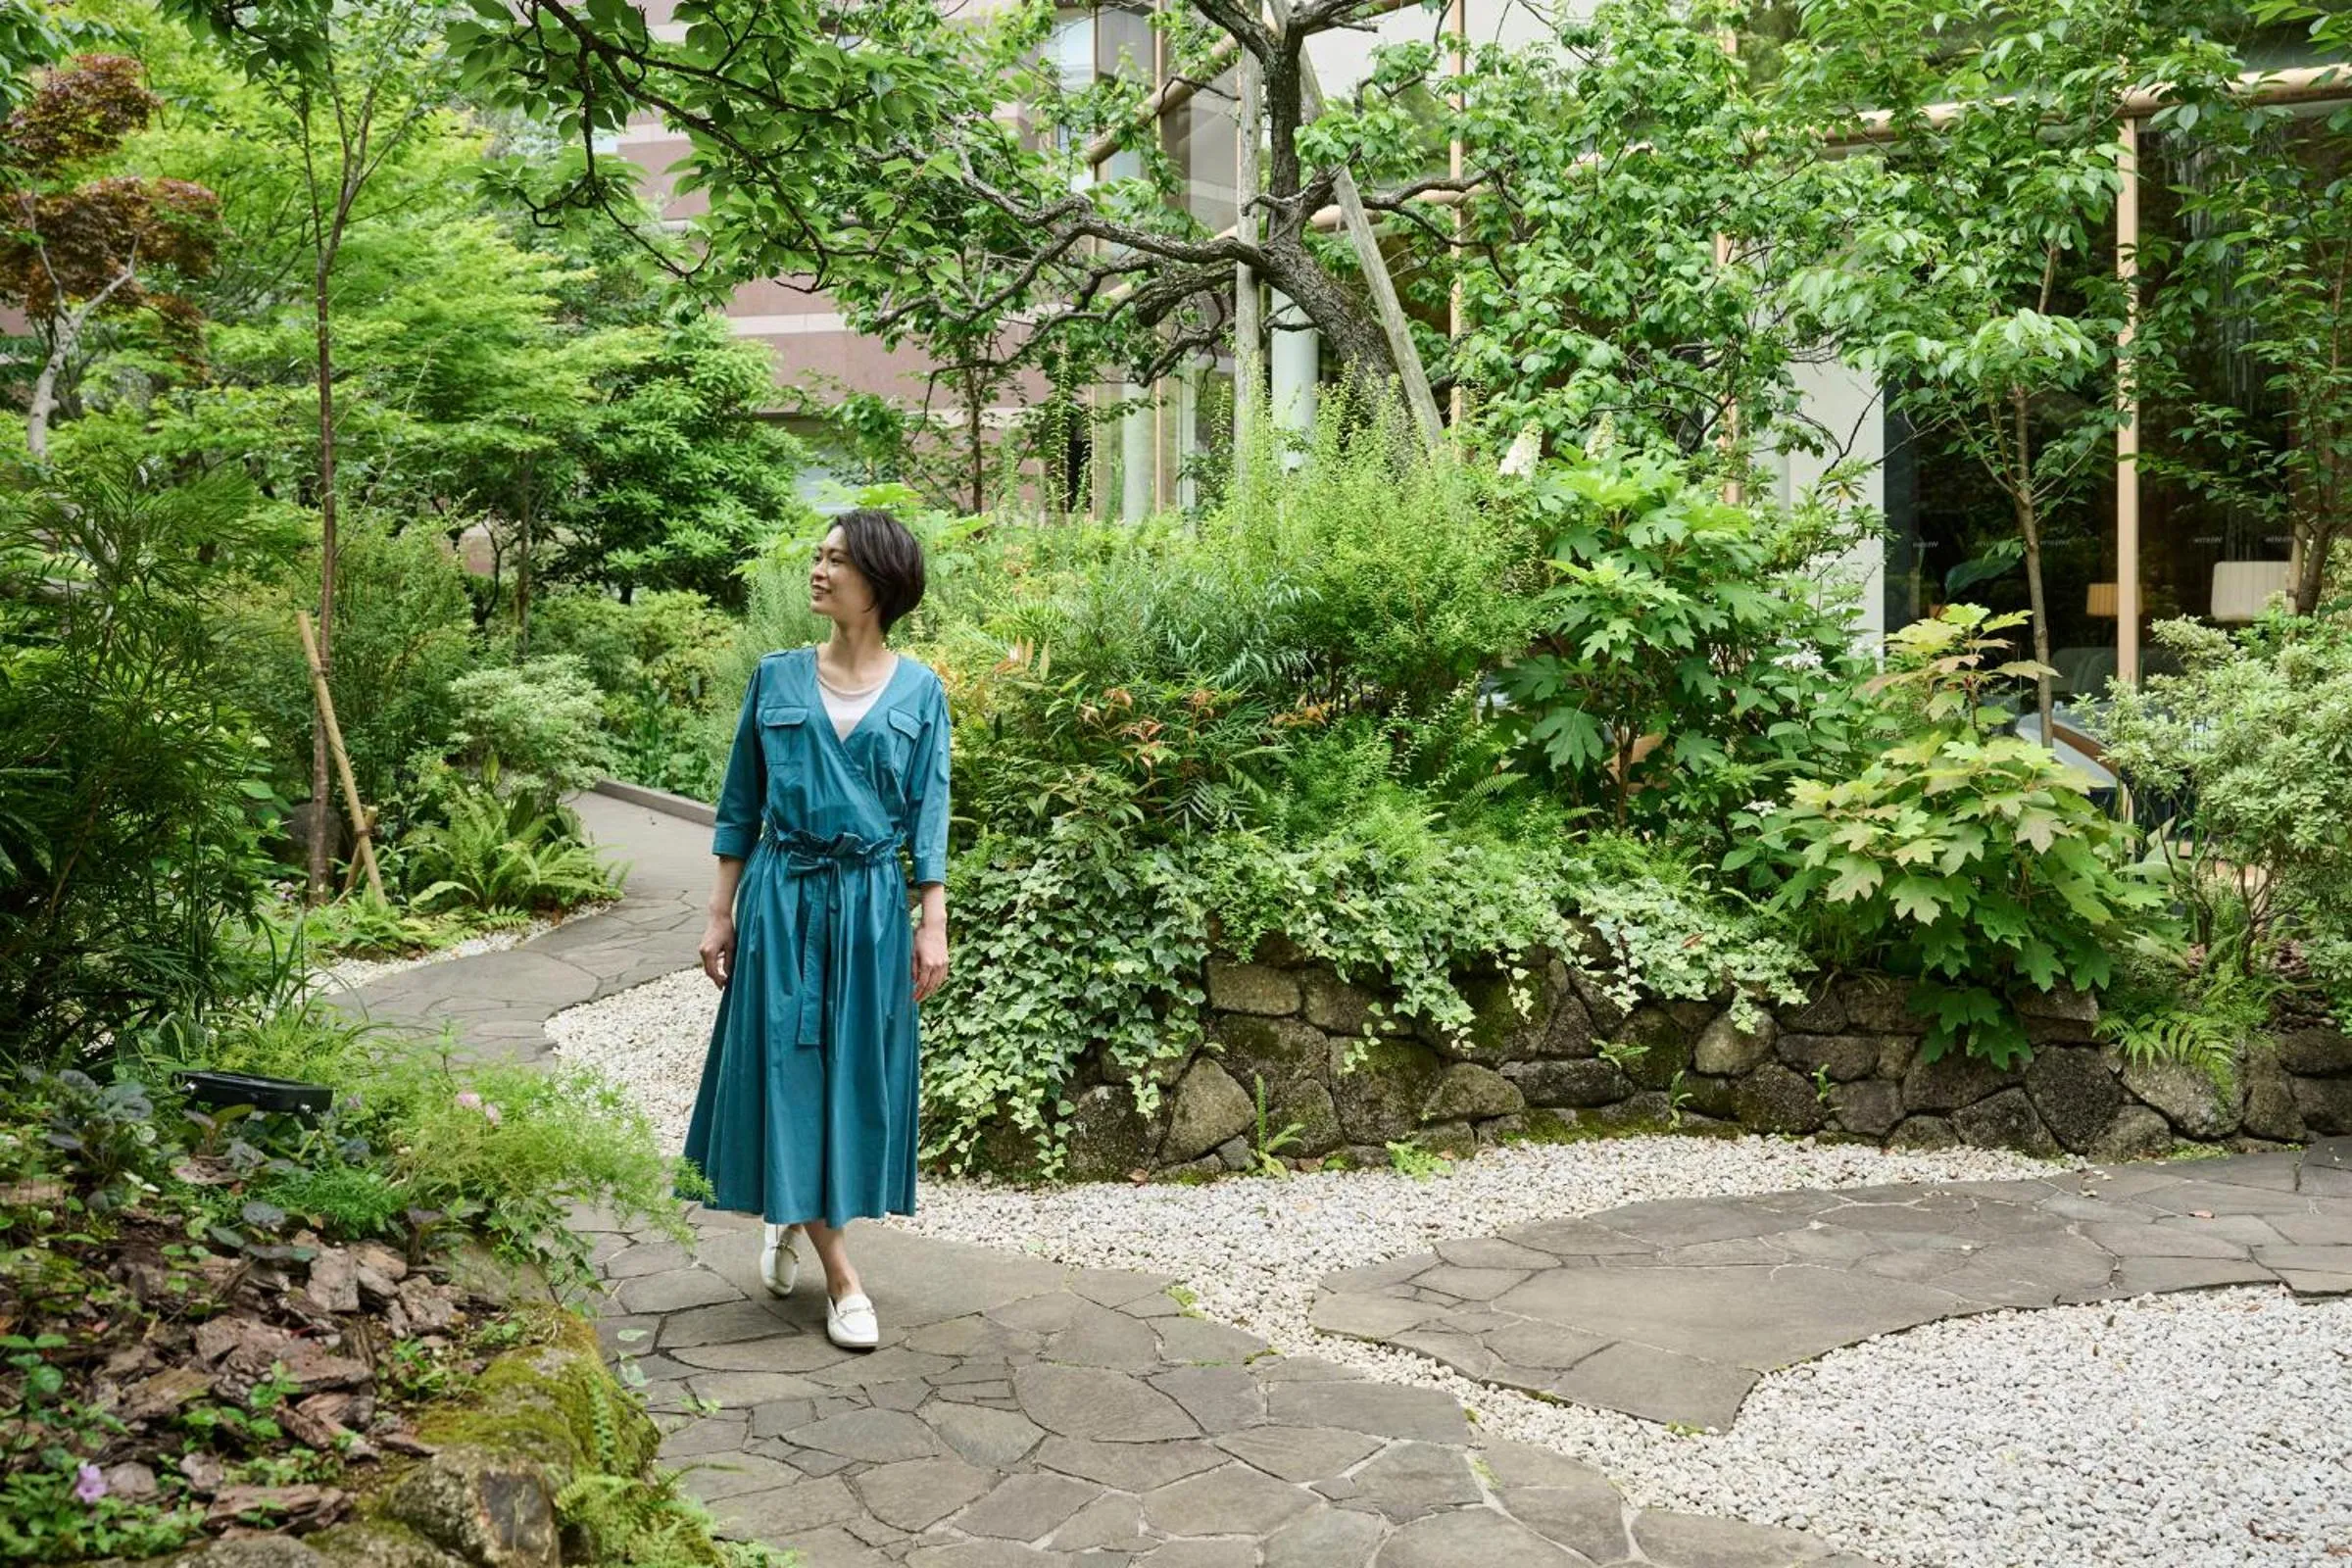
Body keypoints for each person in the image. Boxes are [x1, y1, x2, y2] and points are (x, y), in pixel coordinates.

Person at [682, 509, 951, 1351]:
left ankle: (789, 1211)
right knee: (788, 1068)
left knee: (850, 1077)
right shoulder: (775, 679)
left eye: (838, 560)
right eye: (818, 555)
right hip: (784, 896)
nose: (819, 570)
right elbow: (739, 804)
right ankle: (844, 1277)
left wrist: (931, 918)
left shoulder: (920, 691)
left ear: (879, 582)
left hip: (871, 905)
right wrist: (719, 910)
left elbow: (930, 814)